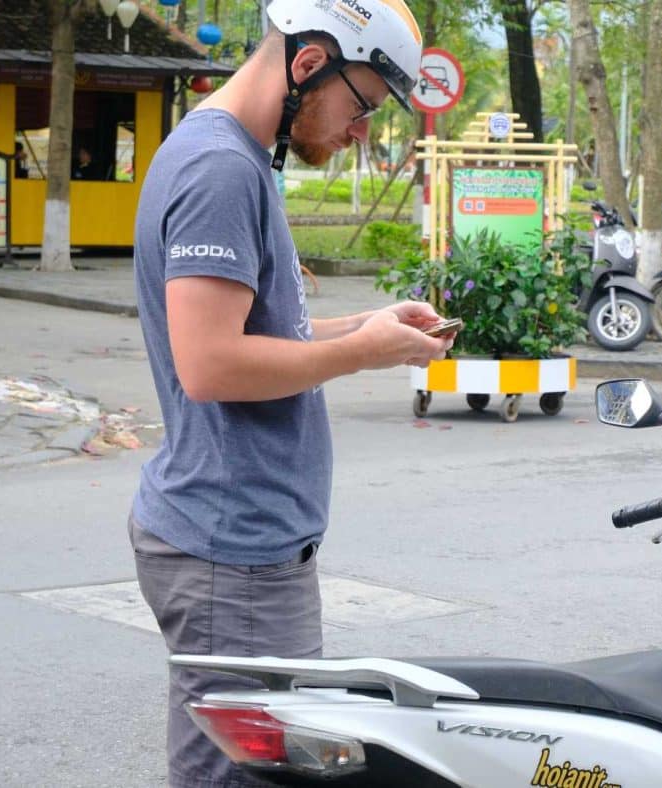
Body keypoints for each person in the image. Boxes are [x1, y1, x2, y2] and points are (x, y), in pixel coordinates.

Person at [127, 0, 442, 785]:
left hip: (239, 547)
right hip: (231, 555)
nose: (361, 130)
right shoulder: (221, 168)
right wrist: (360, 355)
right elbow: (210, 364)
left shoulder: (233, 154)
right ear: (308, 66)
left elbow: (259, 327)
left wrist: (361, 328)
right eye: (361, 104)